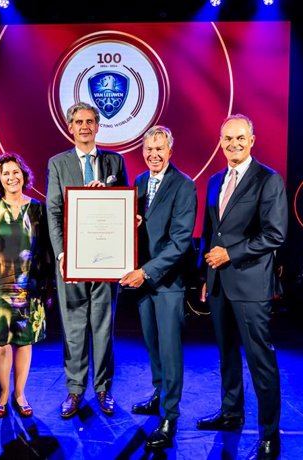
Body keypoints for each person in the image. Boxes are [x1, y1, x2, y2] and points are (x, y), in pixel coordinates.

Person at [197, 114, 288, 460]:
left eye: (239, 138)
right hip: (219, 283)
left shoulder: (268, 180)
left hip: (250, 285)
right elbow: (211, 233)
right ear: (220, 142)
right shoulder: (215, 180)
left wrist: (230, 255)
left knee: (260, 361)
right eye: (227, 139)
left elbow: (274, 234)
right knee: (227, 355)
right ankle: (231, 413)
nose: (232, 144)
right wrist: (205, 278)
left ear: (252, 140)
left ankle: (269, 435)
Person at [46, 101, 128, 418]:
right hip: (72, 261)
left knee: (104, 328)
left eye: (90, 121)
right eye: (78, 121)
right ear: (70, 127)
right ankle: (75, 390)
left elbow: (123, 209)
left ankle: (104, 389)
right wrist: (62, 254)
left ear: (98, 125)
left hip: (106, 260)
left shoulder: (115, 163)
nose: (84, 126)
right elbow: (54, 212)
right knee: (74, 328)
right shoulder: (57, 163)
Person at [119, 125, 197, 449]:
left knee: (170, 350)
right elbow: (134, 227)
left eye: (159, 148)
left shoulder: (184, 186)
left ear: (170, 151)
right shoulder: (137, 184)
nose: (153, 154)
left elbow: (180, 243)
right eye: (148, 149)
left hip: (167, 283)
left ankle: (170, 416)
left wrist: (145, 272)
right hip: (143, 282)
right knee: (152, 344)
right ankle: (158, 393)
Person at [0, 153, 52, 419]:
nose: (12, 177)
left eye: (16, 172)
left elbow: (46, 249)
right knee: (1, 344)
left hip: (30, 286)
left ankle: (20, 393)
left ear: (24, 175)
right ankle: (2, 393)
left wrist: (47, 285)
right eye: (6, 173)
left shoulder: (37, 209)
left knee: (24, 343)